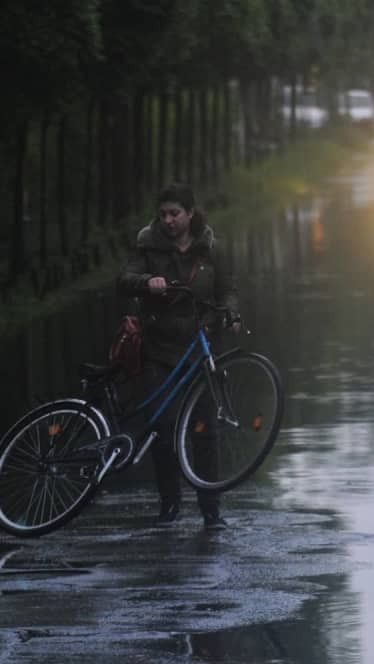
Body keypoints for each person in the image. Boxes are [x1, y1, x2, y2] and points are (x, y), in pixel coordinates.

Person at [116, 182, 241, 530]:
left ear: (190, 213)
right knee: (163, 429)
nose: (168, 221)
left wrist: (232, 314)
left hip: (201, 352)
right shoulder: (147, 244)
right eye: (163, 215)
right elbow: (124, 280)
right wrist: (147, 282)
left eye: (175, 214)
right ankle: (169, 506)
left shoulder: (211, 248)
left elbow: (227, 289)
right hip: (159, 350)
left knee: (206, 432)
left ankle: (211, 511)